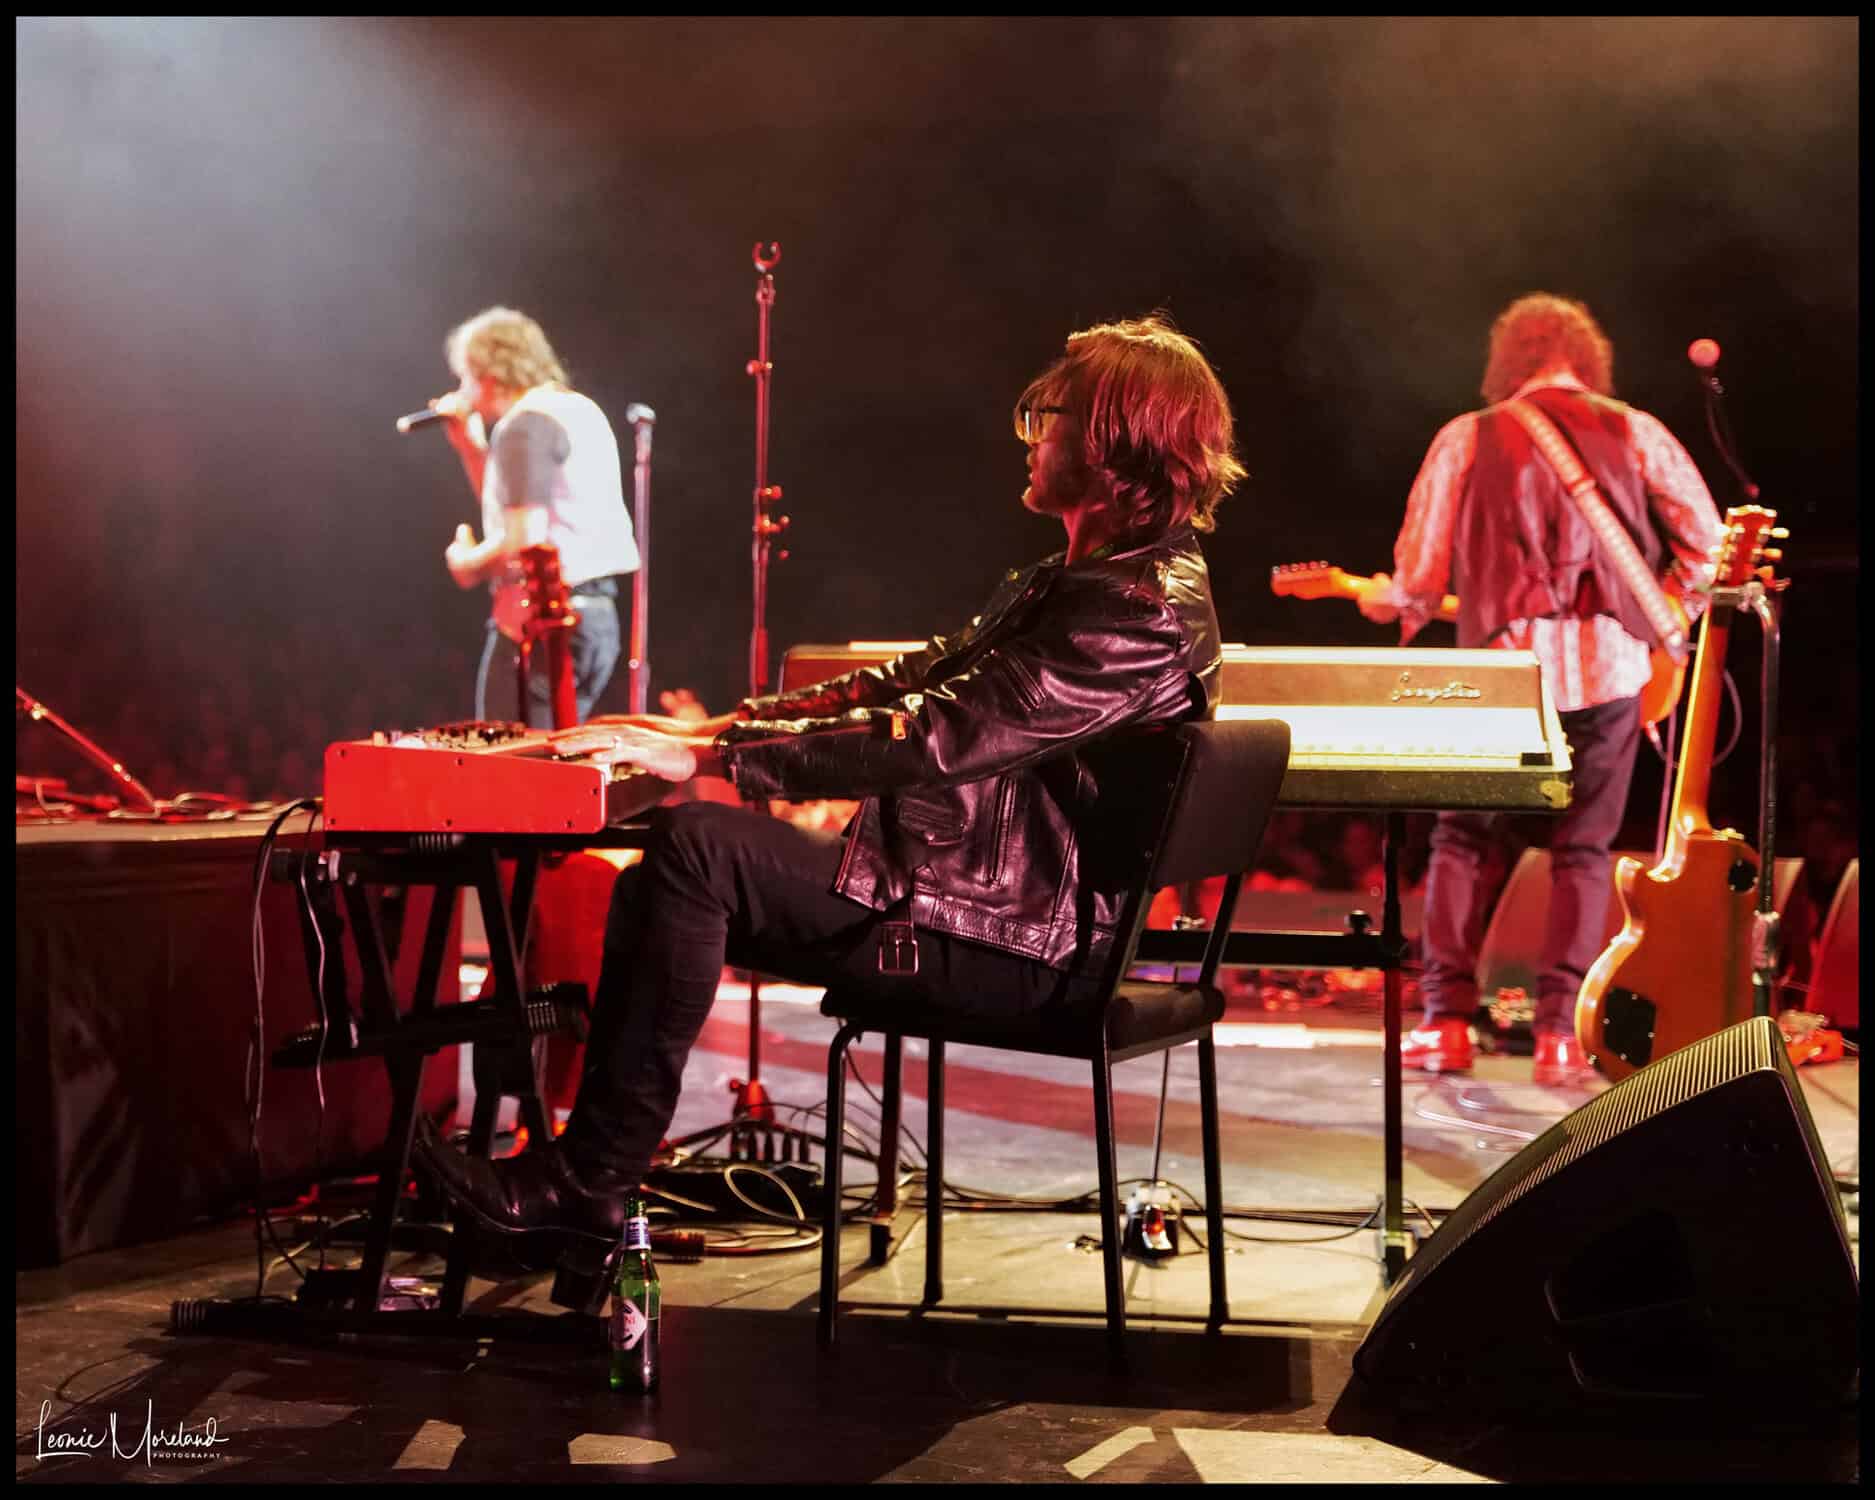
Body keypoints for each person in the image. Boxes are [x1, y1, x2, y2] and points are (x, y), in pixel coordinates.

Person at [413, 313, 1245, 1265]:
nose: (1027, 437)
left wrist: (722, 764)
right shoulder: (1087, 583)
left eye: (1044, 417)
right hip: (980, 910)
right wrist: (710, 731)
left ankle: (583, 1186)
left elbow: (932, 735)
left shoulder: (1134, 609)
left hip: (1015, 948)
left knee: (696, 851)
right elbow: (905, 682)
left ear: (1108, 442)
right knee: (667, 871)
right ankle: (580, 1184)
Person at [1358, 293, 1725, 1086]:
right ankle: (1561, 1035)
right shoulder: (1638, 430)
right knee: (1583, 851)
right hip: (1612, 668)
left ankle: (1445, 1025)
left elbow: (1418, 575)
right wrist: (1658, 612)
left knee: (1461, 842)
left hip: (1501, 673)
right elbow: (1710, 548)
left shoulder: (1467, 436)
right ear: (1586, 359)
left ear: (1506, 361)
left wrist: (1386, 601)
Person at [429, 306, 640, 726]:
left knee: (512, 760)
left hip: (541, 625)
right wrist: (471, 449)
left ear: (490, 374)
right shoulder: (578, 409)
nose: (463, 390)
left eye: (465, 377)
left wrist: (467, 566)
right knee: (554, 758)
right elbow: (518, 507)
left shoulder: (523, 426)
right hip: (595, 619)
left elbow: (523, 543)